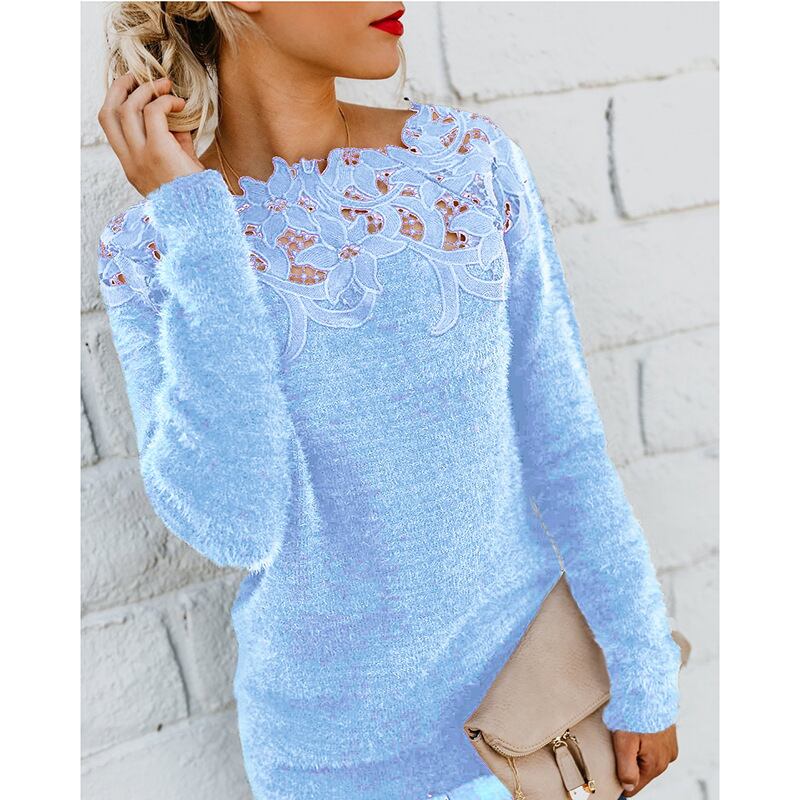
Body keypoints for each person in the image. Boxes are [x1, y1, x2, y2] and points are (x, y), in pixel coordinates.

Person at [95, 3, 682, 799]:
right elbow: (237, 527)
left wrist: (642, 666)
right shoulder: (153, 249)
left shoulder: (467, 167)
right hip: (327, 766)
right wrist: (197, 226)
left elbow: (566, 445)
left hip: (534, 720)